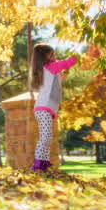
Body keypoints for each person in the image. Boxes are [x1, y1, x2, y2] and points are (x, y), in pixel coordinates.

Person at [29, 43, 78, 172]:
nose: (55, 56)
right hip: (43, 107)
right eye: (52, 54)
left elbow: (58, 80)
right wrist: (75, 57)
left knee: (47, 137)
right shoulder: (50, 67)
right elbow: (67, 63)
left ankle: (44, 163)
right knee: (45, 137)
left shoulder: (48, 70)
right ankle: (37, 164)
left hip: (44, 108)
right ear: (45, 57)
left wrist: (63, 75)